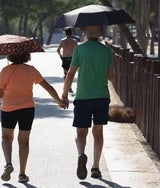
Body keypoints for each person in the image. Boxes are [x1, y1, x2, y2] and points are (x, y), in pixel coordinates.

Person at [0, 52, 65, 183]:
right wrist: (59, 101)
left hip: (8, 109)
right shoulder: (31, 70)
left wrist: (5, 87)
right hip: (27, 109)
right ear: (26, 55)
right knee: (24, 141)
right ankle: (22, 174)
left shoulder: (5, 70)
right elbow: (48, 87)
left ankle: (8, 164)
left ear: (10, 56)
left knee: (6, 138)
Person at [61, 25, 114, 180]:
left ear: (85, 33)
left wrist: (64, 94)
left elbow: (70, 73)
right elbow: (111, 77)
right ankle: (96, 167)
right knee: (98, 133)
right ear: (100, 34)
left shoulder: (80, 50)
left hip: (83, 96)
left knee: (80, 133)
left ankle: (81, 154)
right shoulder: (106, 51)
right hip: (101, 96)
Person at [57, 28, 78, 93]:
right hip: (72, 59)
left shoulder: (62, 41)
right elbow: (77, 51)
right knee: (71, 74)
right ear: (71, 33)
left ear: (65, 33)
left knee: (66, 74)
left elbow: (58, 50)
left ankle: (67, 87)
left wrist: (61, 56)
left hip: (65, 59)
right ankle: (70, 87)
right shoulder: (74, 41)